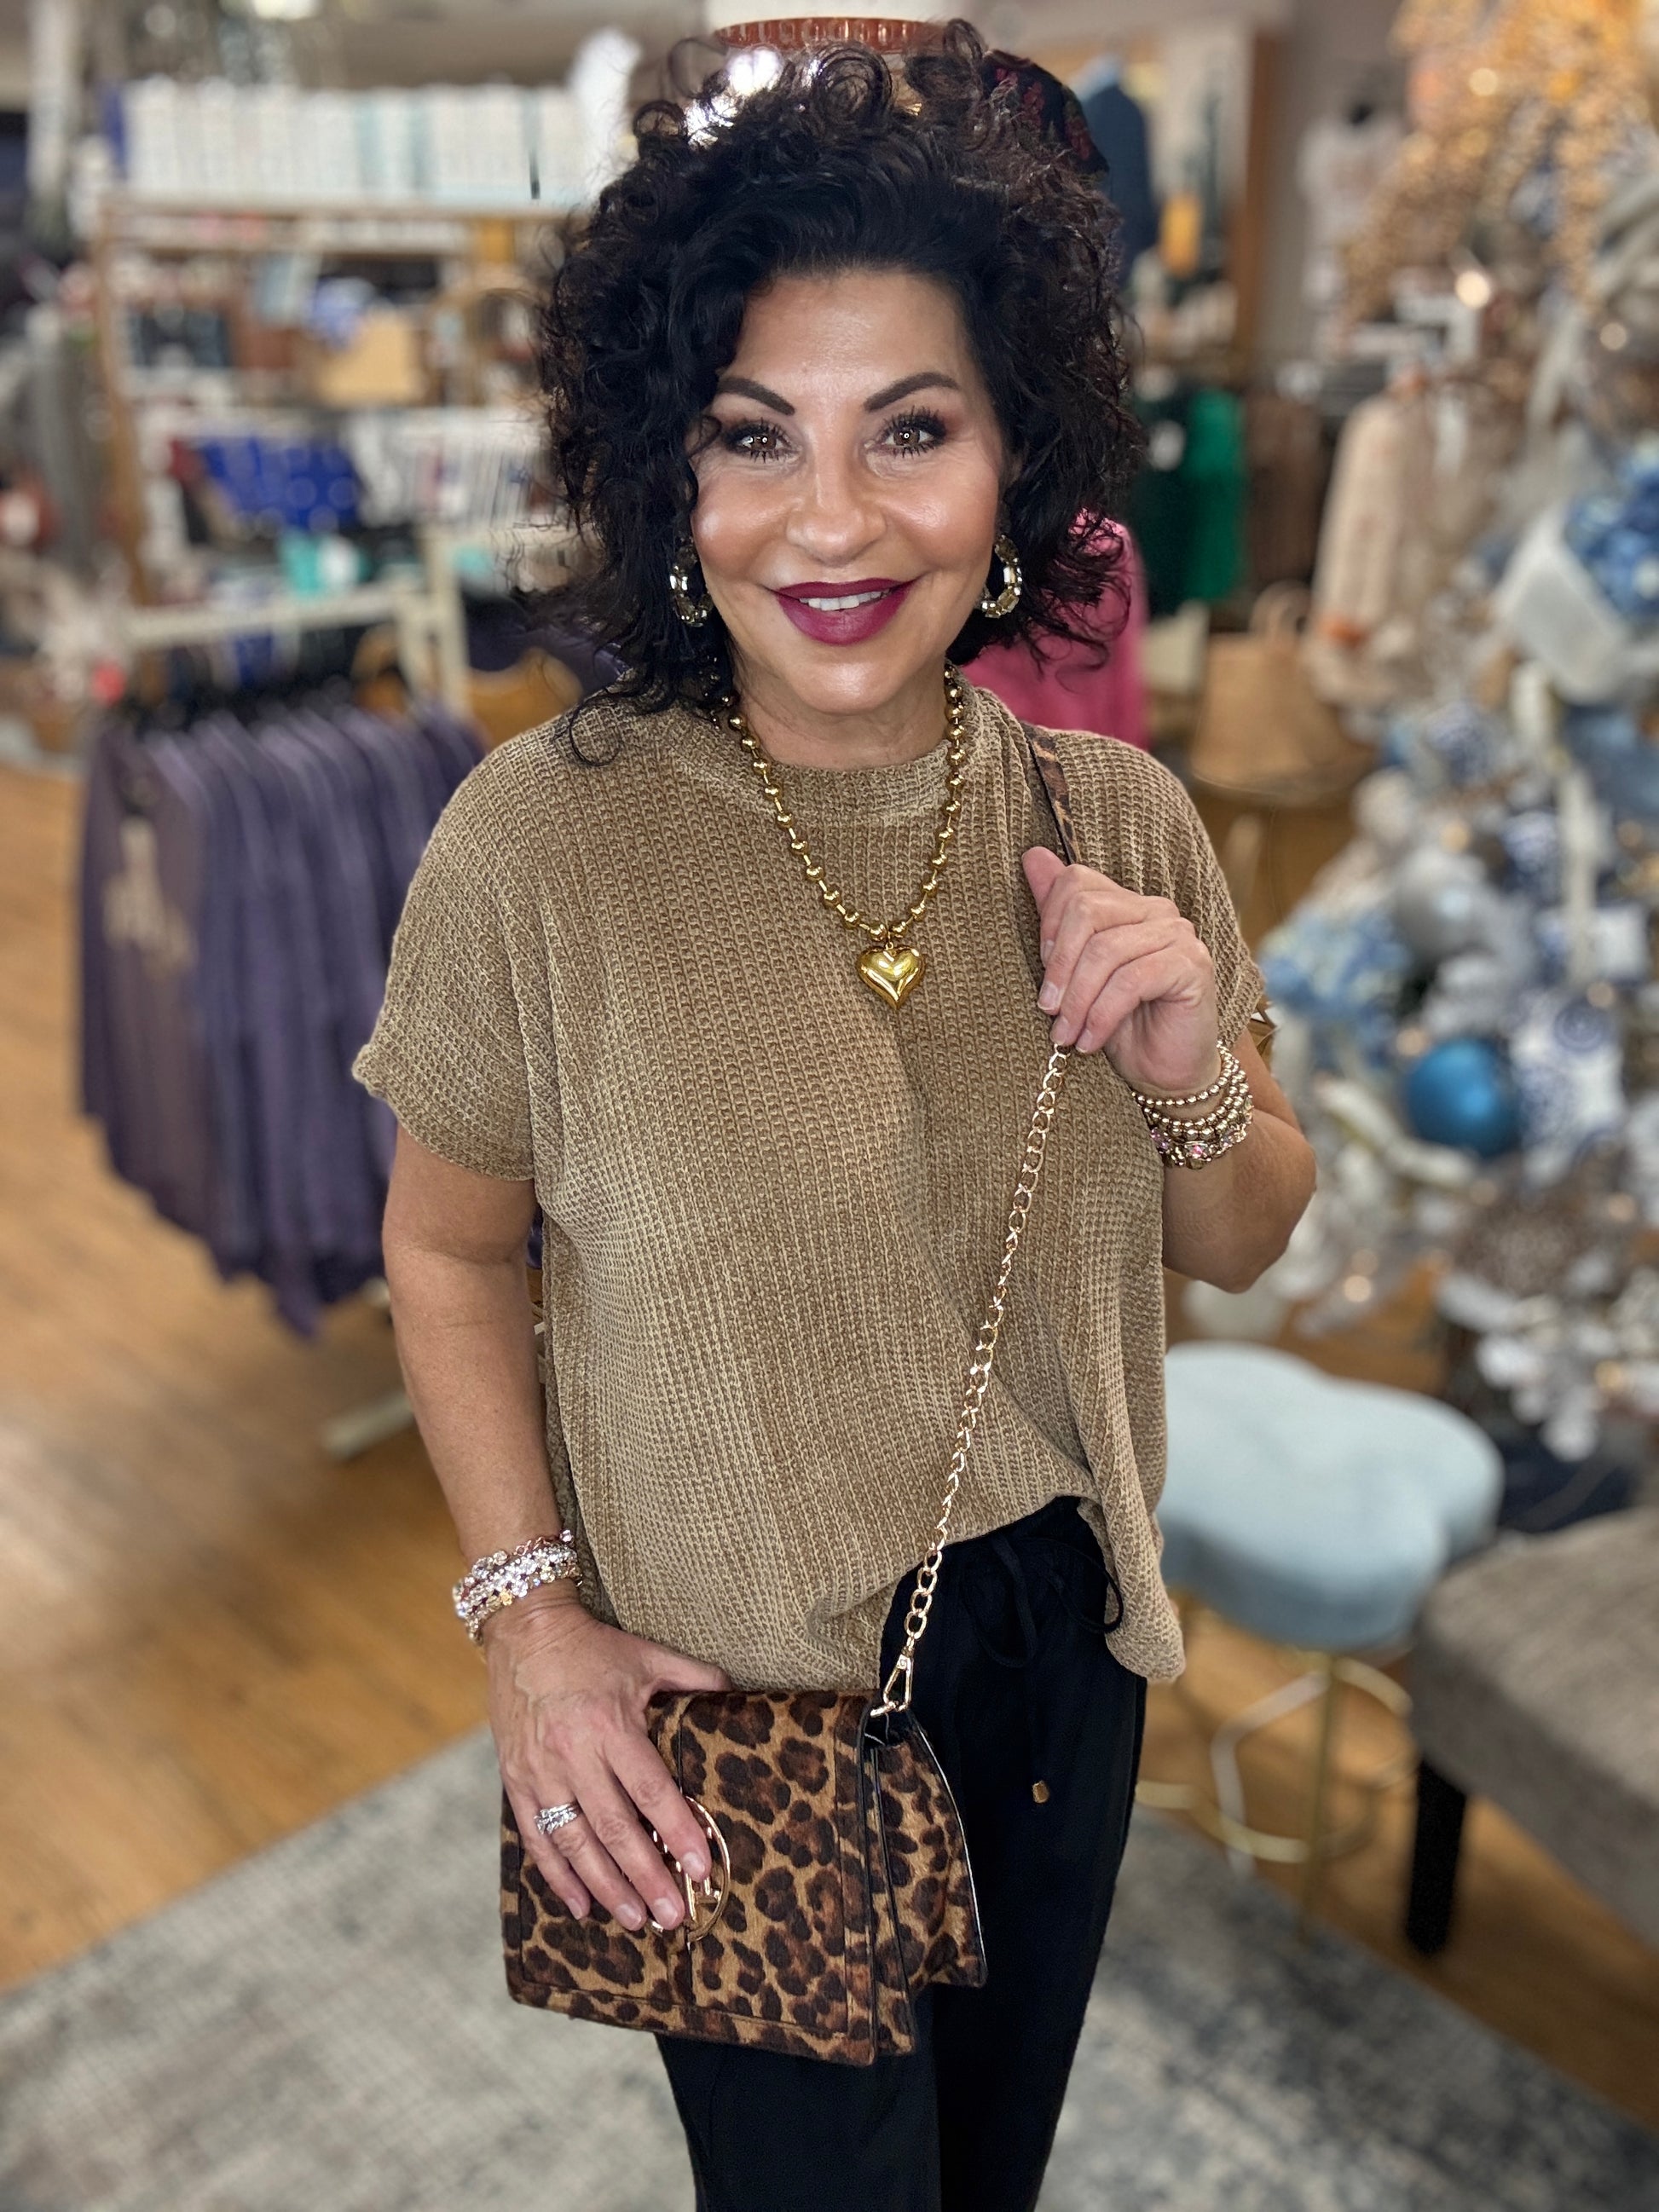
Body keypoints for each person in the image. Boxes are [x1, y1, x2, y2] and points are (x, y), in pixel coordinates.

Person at [356, 31, 1315, 2212]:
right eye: (751, 434)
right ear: (662, 472)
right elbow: (445, 1244)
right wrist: (526, 1617)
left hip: (1061, 1653)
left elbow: (1251, 1230)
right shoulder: (543, 845)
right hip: (739, 1702)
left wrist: (1188, 1067)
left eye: (912, 428)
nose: (832, 520)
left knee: (992, 2165)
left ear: (1012, 460)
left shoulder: (1114, 817)